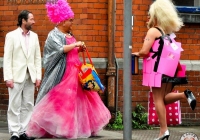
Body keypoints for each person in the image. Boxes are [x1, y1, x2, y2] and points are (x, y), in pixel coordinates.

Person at [25, 0, 111, 139]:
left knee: (79, 102)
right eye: (70, 20)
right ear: (61, 20)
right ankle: (60, 129)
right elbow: (57, 51)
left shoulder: (70, 35)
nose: (72, 23)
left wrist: (79, 48)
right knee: (62, 102)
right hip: (64, 74)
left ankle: (78, 128)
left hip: (76, 72)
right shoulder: (53, 35)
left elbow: (71, 51)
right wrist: (75, 45)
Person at [132, 0, 196, 140]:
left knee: (157, 100)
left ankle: (163, 131)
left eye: (149, 14)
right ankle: (184, 95)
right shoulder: (168, 34)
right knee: (162, 99)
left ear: (156, 15)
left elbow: (144, 51)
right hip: (169, 70)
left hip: (157, 71)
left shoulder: (153, 31)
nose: (147, 17)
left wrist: (135, 54)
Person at [3, 10, 42, 140]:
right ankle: (14, 132)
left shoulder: (35, 36)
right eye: (31, 19)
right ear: (23, 20)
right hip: (15, 76)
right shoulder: (11, 36)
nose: (34, 21)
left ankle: (24, 131)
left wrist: (38, 76)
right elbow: (7, 58)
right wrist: (8, 77)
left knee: (28, 104)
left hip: (30, 76)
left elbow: (37, 58)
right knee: (14, 104)